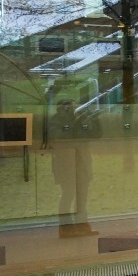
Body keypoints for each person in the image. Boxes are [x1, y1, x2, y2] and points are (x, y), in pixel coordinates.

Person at [45, 98, 100, 236]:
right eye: (67, 107)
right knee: (68, 194)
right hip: (65, 162)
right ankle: (65, 228)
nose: (71, 109)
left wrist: (94, 120)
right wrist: (76, 124)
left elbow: (95, 135)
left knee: (82, 195)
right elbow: (60, 138)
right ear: (60, 108)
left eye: (73, 106)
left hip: (82, 161)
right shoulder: (55, 120)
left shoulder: (79, 118)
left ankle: (82, 225)